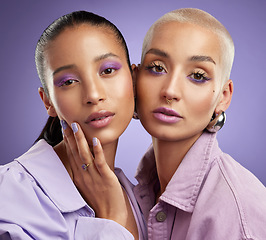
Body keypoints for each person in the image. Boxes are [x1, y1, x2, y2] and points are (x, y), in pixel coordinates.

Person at [0, 11, 146, 239]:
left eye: (107, 71)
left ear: (134, 79)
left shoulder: (139, 200)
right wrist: (111, 219)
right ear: (48, 101)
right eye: (68, 82)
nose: (93, 95)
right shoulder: (9, 193)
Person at [133, 8, 266, 239]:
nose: (170, 91)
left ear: (223, 96)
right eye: (157, 68)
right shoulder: (140, 187)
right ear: (134, 79)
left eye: (197, 75)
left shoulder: (238, 209)